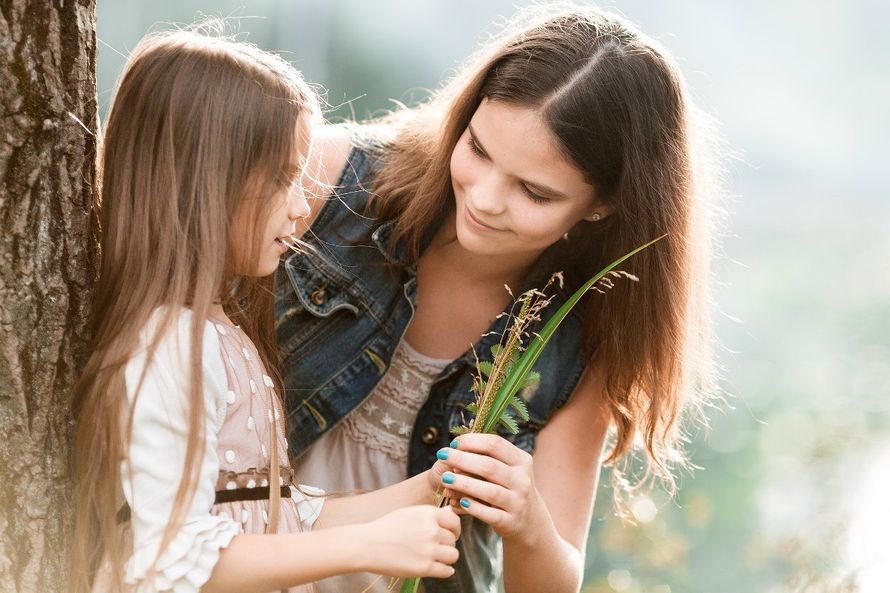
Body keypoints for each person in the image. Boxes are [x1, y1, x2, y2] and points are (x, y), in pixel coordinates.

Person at [278, 5, 721, 593]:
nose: (485, 200)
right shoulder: (331, 182)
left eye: (534, 192)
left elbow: (555, 577)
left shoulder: (583, 335)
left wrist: (527, 520)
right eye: (479, 151)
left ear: (602, 204)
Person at [70, 27, 461, 593]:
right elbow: (171, 556)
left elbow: (269, 514)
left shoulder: (219, 331)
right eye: (282, 179)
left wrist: (425, 489)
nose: (304, 206)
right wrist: (368, 545)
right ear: (205, 180)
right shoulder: (172, 346)